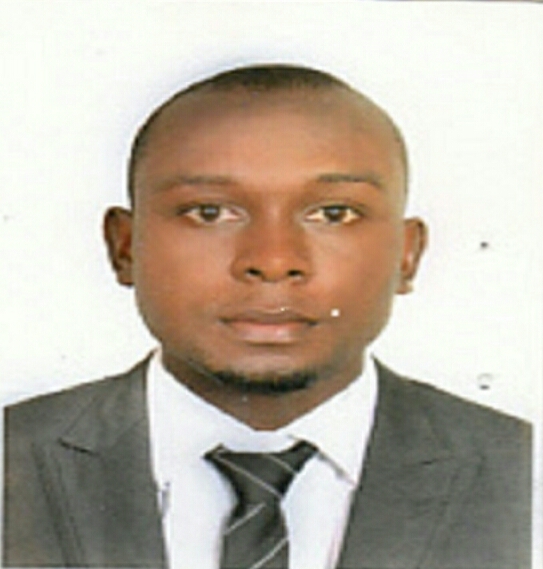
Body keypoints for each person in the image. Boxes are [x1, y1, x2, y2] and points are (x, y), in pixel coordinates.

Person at [3, 65, 531, 569]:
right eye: (209, 212)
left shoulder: (523, 467)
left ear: (407, 255)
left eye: (333, 213)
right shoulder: (13, 457)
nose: (273, 260)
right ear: (124, 248)